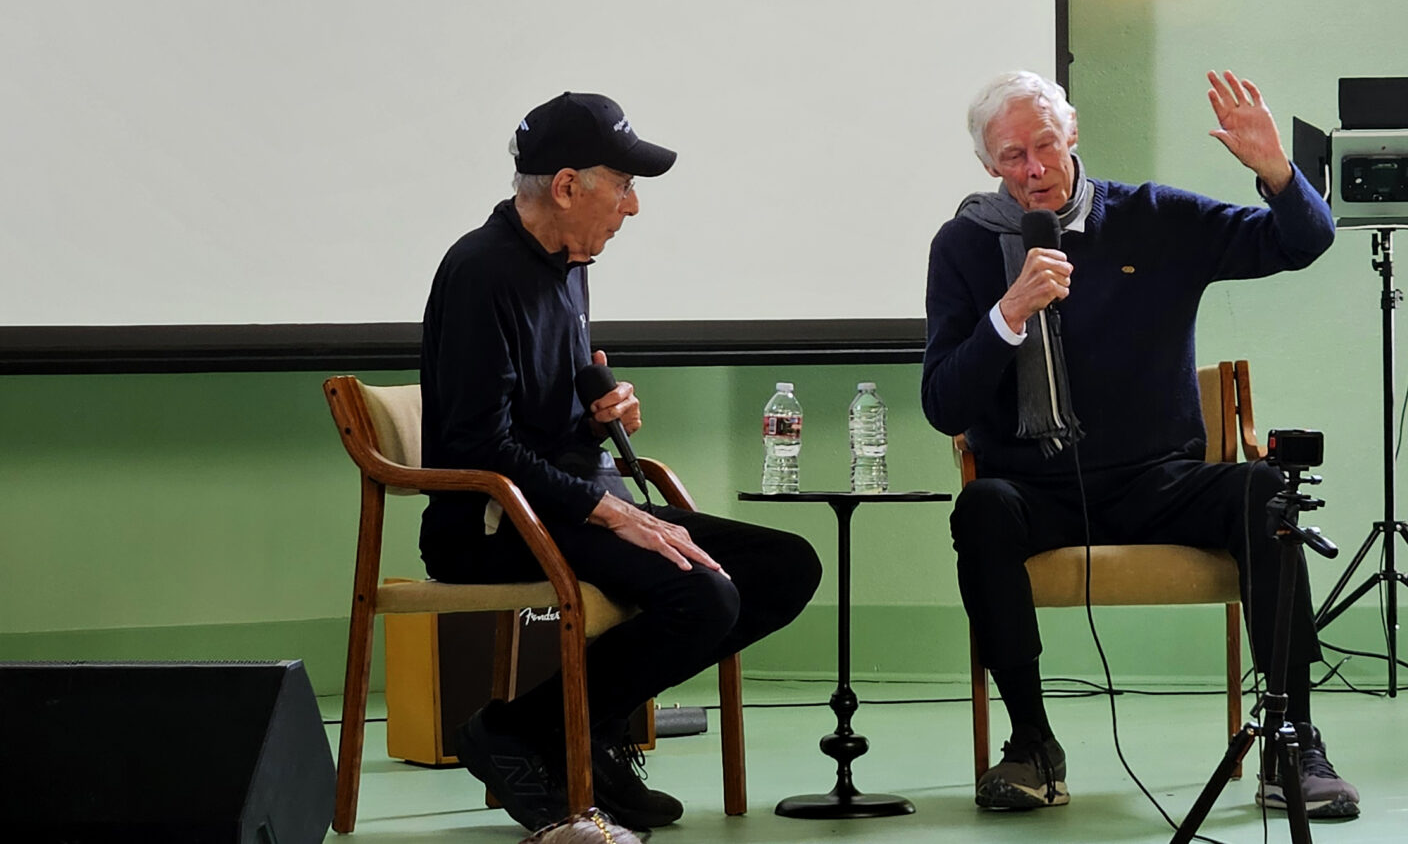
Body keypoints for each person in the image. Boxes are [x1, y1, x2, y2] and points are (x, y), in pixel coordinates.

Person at [923, 70, 1359, 818]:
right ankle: (1032, 743)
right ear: (988, 163)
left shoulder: (1153, 217)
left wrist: (1277, 172)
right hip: (1036, 490)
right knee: (981, 509)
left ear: (1073, 134)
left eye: (1045, 145)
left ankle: (1292, 742)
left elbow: (1302, 240)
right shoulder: (964, 245)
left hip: (1161, 481)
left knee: (1264, 488)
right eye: (1013, 155)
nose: (1034, 169)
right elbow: (944, 404)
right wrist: (1008, 314)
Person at [419, 91, 822, 832]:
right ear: (567, 186)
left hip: (567, 503)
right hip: (491, 521)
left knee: (784, 567)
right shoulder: (480, 271)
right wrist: (606, 509)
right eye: (624, 185)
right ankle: (525, 733)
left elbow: (546, 414)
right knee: (704, 597)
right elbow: (479, 444)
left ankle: (569, 732)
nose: (633, 206)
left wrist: (601, 411)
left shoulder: (569, 263)